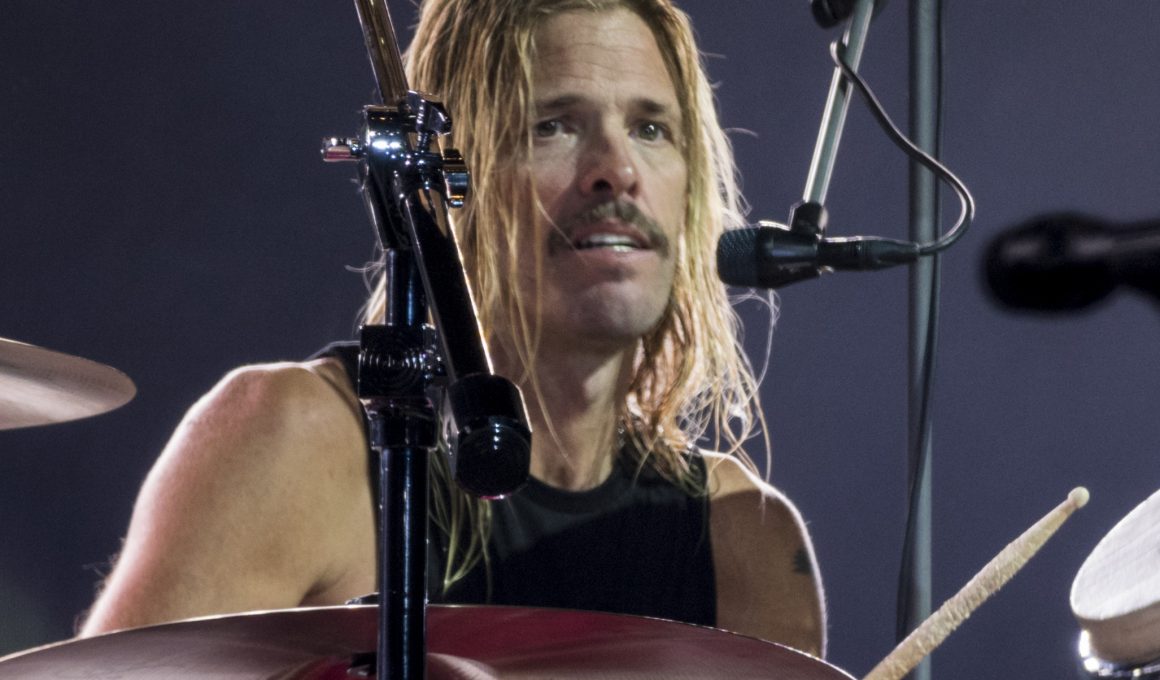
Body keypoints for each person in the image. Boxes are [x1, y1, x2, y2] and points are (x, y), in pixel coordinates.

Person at [79, 0, 827, 657]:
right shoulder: (293, 443)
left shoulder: (744, 541)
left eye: (650, 128)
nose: (616, 170)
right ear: (447, 181)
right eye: (553, 126)